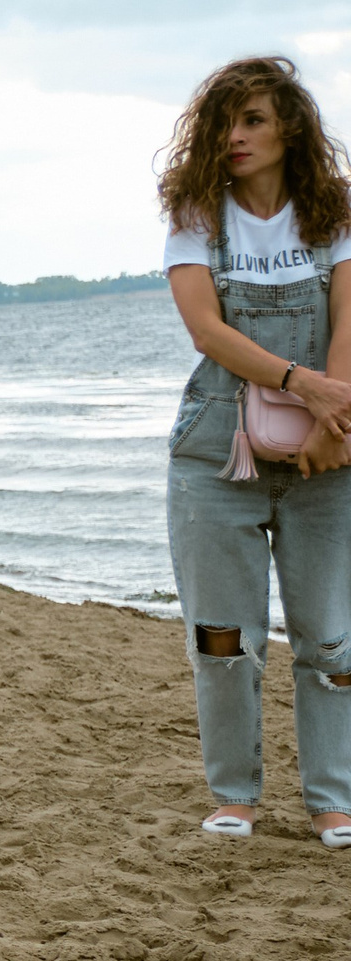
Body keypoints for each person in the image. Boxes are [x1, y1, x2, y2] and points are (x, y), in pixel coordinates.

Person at [162, 56, 351, 849]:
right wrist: (303, 384)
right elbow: (207, 330)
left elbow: (349, 324)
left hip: (325, 453)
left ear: (291, 129)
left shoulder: (333, 212)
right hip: (216, 455)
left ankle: (333, 801)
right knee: (223, 637)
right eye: (227, 123)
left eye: (255, 121)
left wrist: (331, 417)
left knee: (333, 641)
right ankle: (235, 795)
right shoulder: (197, 214)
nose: (237, 137)